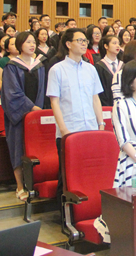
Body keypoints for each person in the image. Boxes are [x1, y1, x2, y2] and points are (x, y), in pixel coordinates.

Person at [47, 28, 104, 202]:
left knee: (90, 173)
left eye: (85, 41)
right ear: (68, 44)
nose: (84, 44)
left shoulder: (90, 69)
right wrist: (64, 130)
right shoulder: (57, 70)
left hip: (91, 129)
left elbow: (95, 98)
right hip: (69, 130)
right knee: (67, 176)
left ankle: (89, 208)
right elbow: (54, 102)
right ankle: (64, 213)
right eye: (79, 40)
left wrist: (101, 124)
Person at [0, 32, 45, 201]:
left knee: (37, 149)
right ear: (19, 45)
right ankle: (20, 186)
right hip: (19, 115)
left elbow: (43, 90)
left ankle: (35, 184)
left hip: (37, 114)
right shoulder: (11, 66)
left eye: (33, 42)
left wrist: (39, 110)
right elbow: (12, 93)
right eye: (28, 42)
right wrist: (32, 108)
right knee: (18, 147)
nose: (32, 45)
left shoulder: (40, 65)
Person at [95, 35, 122, 107]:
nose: (117, 46)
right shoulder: (99, 66)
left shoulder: (123, 65)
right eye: (114, 43)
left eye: (118, 44)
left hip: (122, 105)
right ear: (106, 46)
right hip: (105, 106)